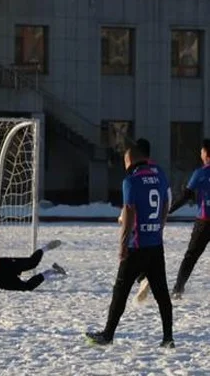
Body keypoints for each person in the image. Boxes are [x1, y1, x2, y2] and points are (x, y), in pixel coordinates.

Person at [86, 146, 174, 347]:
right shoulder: (159, 175)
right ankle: (168, 337)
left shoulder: (130, 181)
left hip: (136, 245)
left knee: (121, 291)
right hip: (155, 244)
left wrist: (123, 244)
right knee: (162, 293)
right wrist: (159, 228)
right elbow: (166, 204)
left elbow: (129, 213)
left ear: (131, 161)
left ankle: (107, 335)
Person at [122, 138, 172, 303]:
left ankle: (143, 276)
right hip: (161, 207)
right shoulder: (157, 168)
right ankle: (145, 276)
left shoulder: (137, 169)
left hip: (147, 210)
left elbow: (132, 202)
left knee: (135, 251)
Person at [168, 139, 210, 299]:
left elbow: (186, 195)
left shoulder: (200, 173)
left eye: (201, 151)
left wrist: (169, 210)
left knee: (191, 257)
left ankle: (178, 290)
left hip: (204, 222)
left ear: (205, 153)